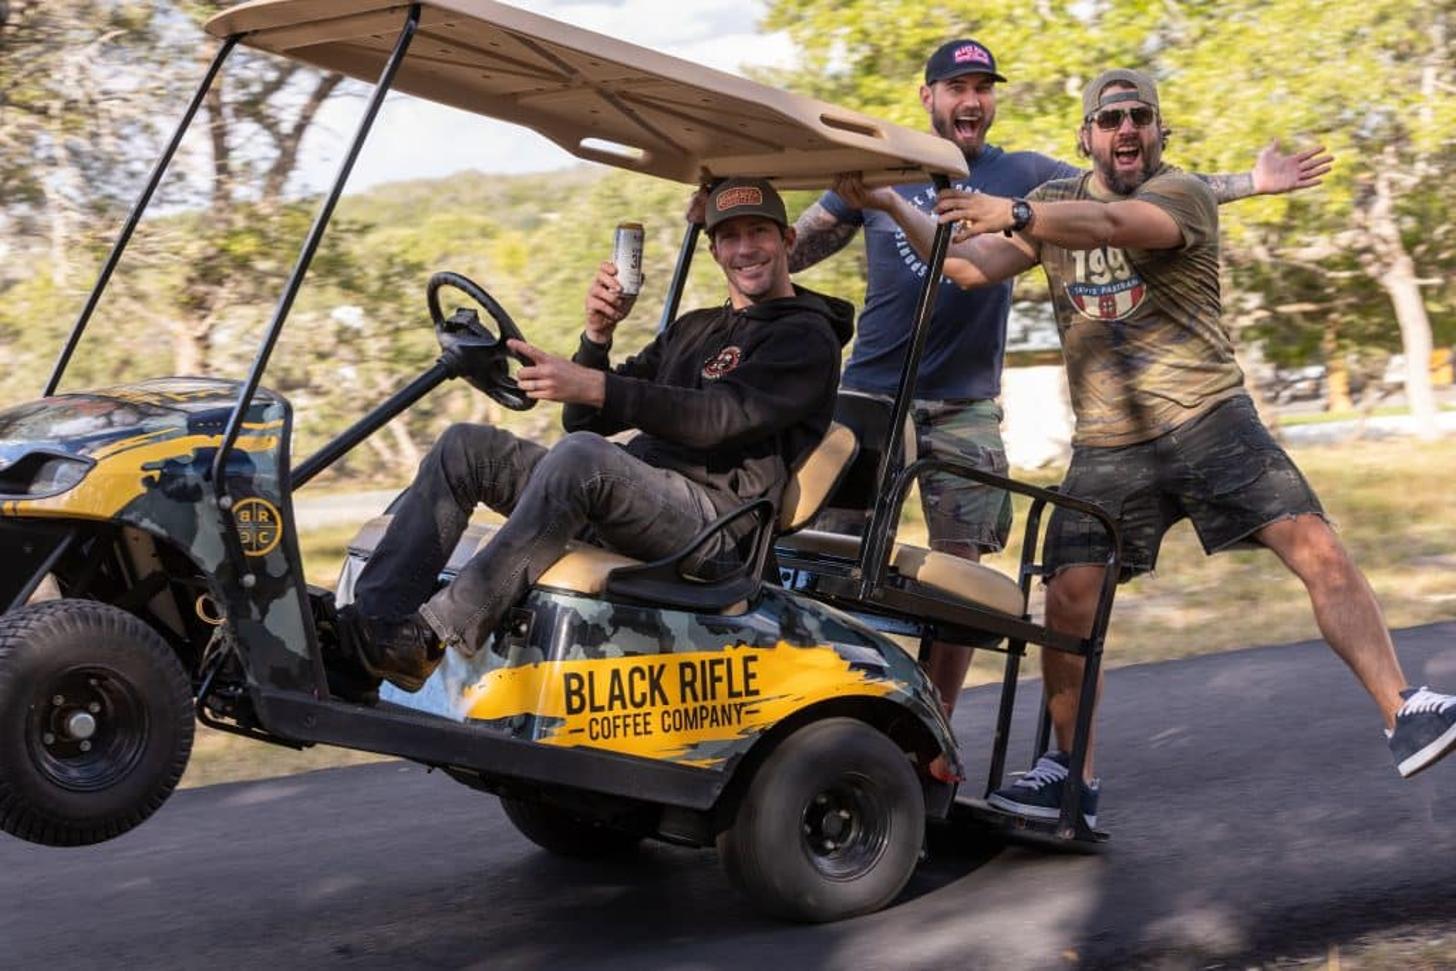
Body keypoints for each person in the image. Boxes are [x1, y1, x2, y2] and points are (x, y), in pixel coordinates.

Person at [840, 69, 1456, 828]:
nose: (1126, 129)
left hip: (1208, 416)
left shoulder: (1180, 194)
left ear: (1159, 131)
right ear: (1087, 136)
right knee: (1067, 600)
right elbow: (967, 264)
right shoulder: (1056, 201)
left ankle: (1407, 708)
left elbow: (1115, 228)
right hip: (1109, 440)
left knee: (1316, 546)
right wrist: (895, 204)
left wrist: (1016, 210)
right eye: (1110, 119)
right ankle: (1072, 774)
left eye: (1139, 117)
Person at [790, 39, 1332, 719]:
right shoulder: (883, 169)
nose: (972, 99)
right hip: (871, 390)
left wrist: (1253, 183)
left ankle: (932, 731)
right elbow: (798, 241)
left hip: (966, 403)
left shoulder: (1026, 175)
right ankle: (817, 711)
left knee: (959, 572)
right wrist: (743, 229)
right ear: (927, 97)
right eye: (957, 87)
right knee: (828, 558)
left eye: (983, 87)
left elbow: (1128, 194)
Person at [341, 178, 853, 692]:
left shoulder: (806, 337)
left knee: (584, 459)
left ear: (787, 240)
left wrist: (595, 385)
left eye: (758, 232)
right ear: (715, 249)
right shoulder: (696, 327)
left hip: (715, 527)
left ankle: (433, 636)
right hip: (637, 502)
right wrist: (596, 338)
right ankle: (371, 632)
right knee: (465, 447)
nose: (745, 249)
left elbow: (717, 417)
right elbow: (585, 418)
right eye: (730, 236)